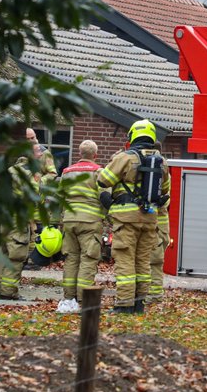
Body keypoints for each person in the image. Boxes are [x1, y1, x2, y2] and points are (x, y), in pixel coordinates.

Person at [98, 120, 170, 314]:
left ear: (132, 136)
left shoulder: (125, 158)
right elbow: (165, 191)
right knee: (143, 261)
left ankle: (124, 305)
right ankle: (139, 304)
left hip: (126, 219)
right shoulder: (162, 162)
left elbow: (103, 179)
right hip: (149, 219)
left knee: (125, 261)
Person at [59, 139, 104, 313]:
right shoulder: (99, 172)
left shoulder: (66, 172)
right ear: (95, 155)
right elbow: (104, 196)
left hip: (69, 221)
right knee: (88, 259)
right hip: (90, 221)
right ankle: (83, 300)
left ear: (80, 154)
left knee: (71, 259)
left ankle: (68, 298)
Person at [0, 155, 37, 300]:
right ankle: (8, 292)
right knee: (16, 255)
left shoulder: (7, 172)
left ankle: (5, 288)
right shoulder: (27, 173)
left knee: (6, 253)